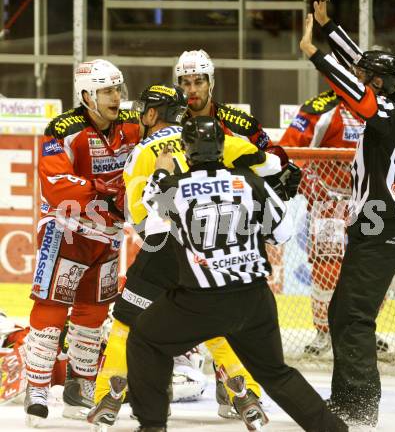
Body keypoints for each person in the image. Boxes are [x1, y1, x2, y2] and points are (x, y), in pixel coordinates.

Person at [126, 115, 348, 432]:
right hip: (254, 300)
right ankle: (334, 430)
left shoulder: (174, 188)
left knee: (145, 340)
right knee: (275, 374)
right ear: (221, 148)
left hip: (198, 303)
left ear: (186, 151)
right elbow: (281, 234)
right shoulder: (251, 183)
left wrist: (161, 171)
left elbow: (149, 227)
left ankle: (152, 426)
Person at [87, 83, 287, 428]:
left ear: (151, 114)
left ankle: (110, 392)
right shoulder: (211, 138)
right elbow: (269, 163)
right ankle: (246, 393)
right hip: (204, 245)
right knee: (208, 319)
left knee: (126, 321)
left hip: (161, 246)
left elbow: (139, 215)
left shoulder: (143, 152)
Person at [300, 0, 395, 427]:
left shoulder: (385, 112)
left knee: (354, 316)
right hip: (375, 224)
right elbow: (361, 67)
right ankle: (346, 401)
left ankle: (361, 407)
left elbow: (358, 93)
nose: (359, 79)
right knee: (340, 313)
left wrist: (316, 54)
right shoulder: (392, 102)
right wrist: (329, 27)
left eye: (367, 78)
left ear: (381, 83)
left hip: (385, 226)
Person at [174, 48, 302, 413]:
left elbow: (273, 152)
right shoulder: (169, 121)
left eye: (198, 81)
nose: (191, 89)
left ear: (211, 83)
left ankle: (232, 384)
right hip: (187, 231)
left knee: (236, 305)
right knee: (182, 300)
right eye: (185, 82)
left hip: (234, 230)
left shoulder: (236, 120)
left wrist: (283, 173)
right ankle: (181, 365)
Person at [24, 59, 142, 426]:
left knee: (93, 313)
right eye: (107, 90)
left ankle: (80, 387)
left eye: (118, 89)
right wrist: (102, 195)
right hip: (67, 231)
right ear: (87, 94)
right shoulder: (63, 128)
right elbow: (56, 184)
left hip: (107, 236)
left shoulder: (130, 127)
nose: (116, 97)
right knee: (52, 307)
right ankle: (38, 387)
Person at [279, 90, 390, 356]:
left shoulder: (384, 109)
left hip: (369, 204)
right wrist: (310, 185)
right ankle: (323, 333)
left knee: (372, 269)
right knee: (326, 269)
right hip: (329, 201)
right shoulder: (323, 108)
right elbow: (290, 152)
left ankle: (363, 330)